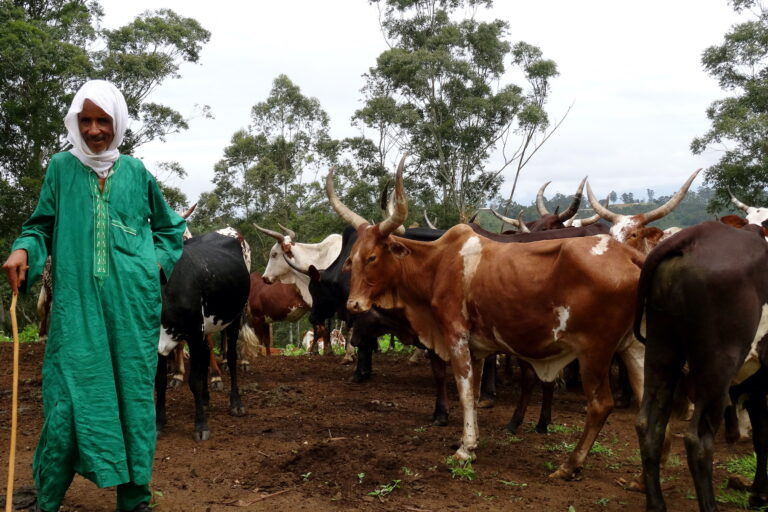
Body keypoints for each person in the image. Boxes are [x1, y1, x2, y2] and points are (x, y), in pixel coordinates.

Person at [2, 80, 186, 512]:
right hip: (76, 308)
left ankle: (135, 499)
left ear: (117, 122)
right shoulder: (61, 169)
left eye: (103, 120)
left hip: (130, 311)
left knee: (132, 401)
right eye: (85, 120)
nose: (94, 129)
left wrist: (152, 265)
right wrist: (23, 249)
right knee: (66, 403)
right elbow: (40, 225)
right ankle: (47, 498)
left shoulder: (137, 173)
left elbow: (170, 228)